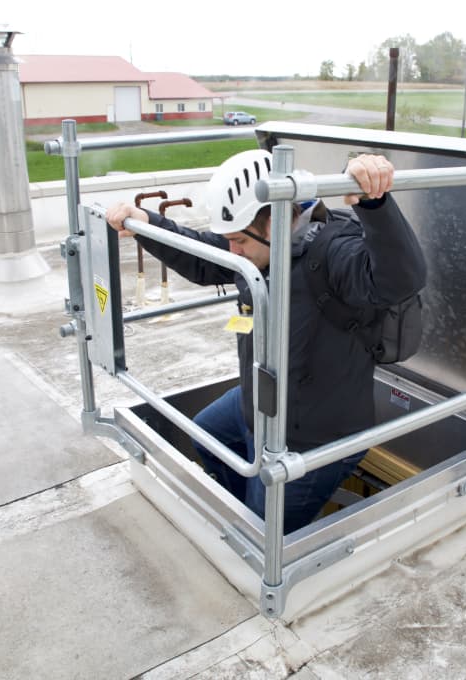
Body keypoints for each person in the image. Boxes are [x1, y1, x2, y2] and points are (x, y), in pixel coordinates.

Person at [106, 149, 426, 532]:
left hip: (313, 438)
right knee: (209, 433)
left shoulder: (337, 251)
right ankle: (245, 516)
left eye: (239, 241)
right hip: (262, 406)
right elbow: (206, 257)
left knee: (264, 531)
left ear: (274, 221)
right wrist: (150, 223)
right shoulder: (261, 248)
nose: (233, 252)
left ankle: (259, 529)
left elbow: (401, 278)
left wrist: (375, 204)